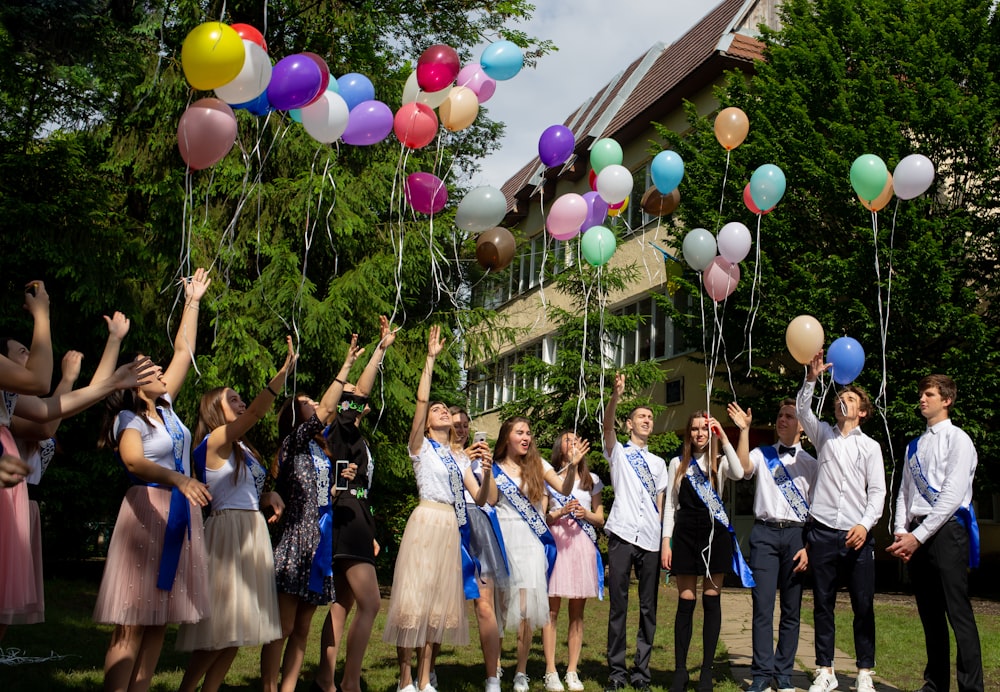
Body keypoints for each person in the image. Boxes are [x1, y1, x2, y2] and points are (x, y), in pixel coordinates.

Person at [1, 305, 154, 645]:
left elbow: (73, 402)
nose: (29, 352)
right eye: (20, 351)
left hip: (18, 503)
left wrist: (113, 344)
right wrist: (65, 375)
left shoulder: (11, 402)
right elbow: (49, 419)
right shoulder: (13, 405)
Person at [92, 268, 214, 692]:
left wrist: (193, 300)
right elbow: (134, 462)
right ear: (133, 383)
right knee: (134, 619)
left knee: (161, 616)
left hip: (177, 513)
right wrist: (178, 480)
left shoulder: (168, 411)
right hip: (148, 510)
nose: (159, 367)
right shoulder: (131, 418)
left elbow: (184, 349)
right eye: (148, 367)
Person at [175, 336, 296, 692]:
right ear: (215, 409)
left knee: (239, 631)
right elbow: (260, 411)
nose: (242, 403)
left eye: (241, 398)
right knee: (220, 629)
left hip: (251, 531)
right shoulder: (215, 440)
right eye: (233, 399)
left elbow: (242, 491)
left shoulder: (243, 448)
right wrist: (283, 373)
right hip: (228, 535)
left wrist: (268, 495)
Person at [383, 325, 496, 692]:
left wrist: (487, 471)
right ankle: (405, 680)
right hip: (426, 520)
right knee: (413, 602)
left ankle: (424, 678)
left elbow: (481, 499)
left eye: (446, 409)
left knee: (436, 608)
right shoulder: (420, 447)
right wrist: (430, 361)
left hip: (451, 527)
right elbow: (419, 405)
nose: (443, 411)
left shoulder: (459, 457)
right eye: (438, 409)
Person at [260, 336, 364, 692]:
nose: (315, 405)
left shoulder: (320, 450)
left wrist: (337, 487)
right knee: (284, 626)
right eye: (306, 403)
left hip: (320, 541)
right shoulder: (292, 444)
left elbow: (320, 491)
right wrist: (346, 366)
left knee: (302, 628)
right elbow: (327, 411)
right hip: (296, 540)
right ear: (294, 415)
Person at [886, 374, 984, 692]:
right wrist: (902, 531)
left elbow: (952, 497)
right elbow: (903, 493)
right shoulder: (914, 445)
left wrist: (919, 535)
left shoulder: (959, 440)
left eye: (929, 394)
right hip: (917, 534)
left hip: (946, 532)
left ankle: (971, 687)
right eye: (921, 394)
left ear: (947, 400)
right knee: (930, 614)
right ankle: (935, 684)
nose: (922, 399)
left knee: (958, 612)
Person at [314, 316, 396, 692]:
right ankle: (350, 683)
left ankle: (326, 680)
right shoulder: (341, 429)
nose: (354, 398)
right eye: (346, 396)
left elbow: (364, 489)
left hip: (359, 519)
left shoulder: (357, 439)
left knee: (342, 605)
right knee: (371, 604)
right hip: (346, 521)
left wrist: (373, 531)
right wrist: (378, 351)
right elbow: (360, 392)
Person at [797, 350, 885, 692]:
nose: (841, 402)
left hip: (856, 534)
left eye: (849, 399)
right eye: (839, 398)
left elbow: (877, 492)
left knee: (863, 604)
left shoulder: (872, 447)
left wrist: (864, 525)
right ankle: (826, 670)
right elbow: (804, 411)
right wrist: (812, 378)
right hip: (821, 532)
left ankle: (864, 673)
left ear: (862, 411)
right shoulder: (823, 436)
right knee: (823, 603)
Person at [728, 399, 816, 692]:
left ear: (802, 426)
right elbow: (741, 469)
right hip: (764, 534)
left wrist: (809, 545)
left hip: (796, 536)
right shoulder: (762, 454)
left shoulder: (812, 464)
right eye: (780, 415)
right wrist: (744, 431)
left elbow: (819, 509)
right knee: (762, 607)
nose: (782, 420)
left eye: (789, 416)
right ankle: (762, 673)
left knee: (792, 610)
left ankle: (785, 673)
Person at [662, 410, 749, 692]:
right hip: (685, 533)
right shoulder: (677, 462)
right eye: (695, 429)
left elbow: (739, 473)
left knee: (711, 600)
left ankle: (707, 673)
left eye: (704, 428)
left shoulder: (718, 463)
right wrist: (666, 541)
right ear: (688, 434)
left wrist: (723, 436)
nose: (700, 433)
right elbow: (670, 508)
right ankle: (680, 671)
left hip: (715, 534)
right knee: (686, 601)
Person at [425, 407, 508, 692]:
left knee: (484, 606)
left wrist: (487, 469)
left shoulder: (476, 458)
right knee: (440, 606)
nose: (460, 430)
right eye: (456, 425)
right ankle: (429, 671)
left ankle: (492, 678)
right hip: (447, 524)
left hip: (477, 525)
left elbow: (491, 499)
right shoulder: (440, 454)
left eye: (464, 425)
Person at [494, 416, 577, 692]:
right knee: (498, 606)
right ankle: (494, 665)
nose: (526, 437)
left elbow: (563, 489)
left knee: (526, 610)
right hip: (503, 537)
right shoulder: (494, 469)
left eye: (529, 432)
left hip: (530, 541)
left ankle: (521, 671)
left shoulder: (538, 465)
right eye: (520, 432)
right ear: (507, 437)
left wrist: (572, 468)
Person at [601, 373, 668, 692]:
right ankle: (616, 671)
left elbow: (660, 505)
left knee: (648, 608)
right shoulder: (618, 454)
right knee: (619, 605)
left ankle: (641, 671)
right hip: (623, 535)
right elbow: (607, 427)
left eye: (650, 417)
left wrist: (663, 538)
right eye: (641, 416)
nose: (646, 420)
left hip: (651, 540)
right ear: (630, 424)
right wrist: (616, 397)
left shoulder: (658, 463)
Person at [542, 431, 604, 692]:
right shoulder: (550, 477)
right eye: (568, 440)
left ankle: (572, 670)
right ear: (560, 446)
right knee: (551, 610)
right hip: (558, 544)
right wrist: (560, 511)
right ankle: (550, 670)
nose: (573, 443)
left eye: (577, 440)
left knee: (577, 613)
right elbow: (543, 516)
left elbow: (600, 518)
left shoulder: (593, 481)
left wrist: (585, 513)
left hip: (582, 545)